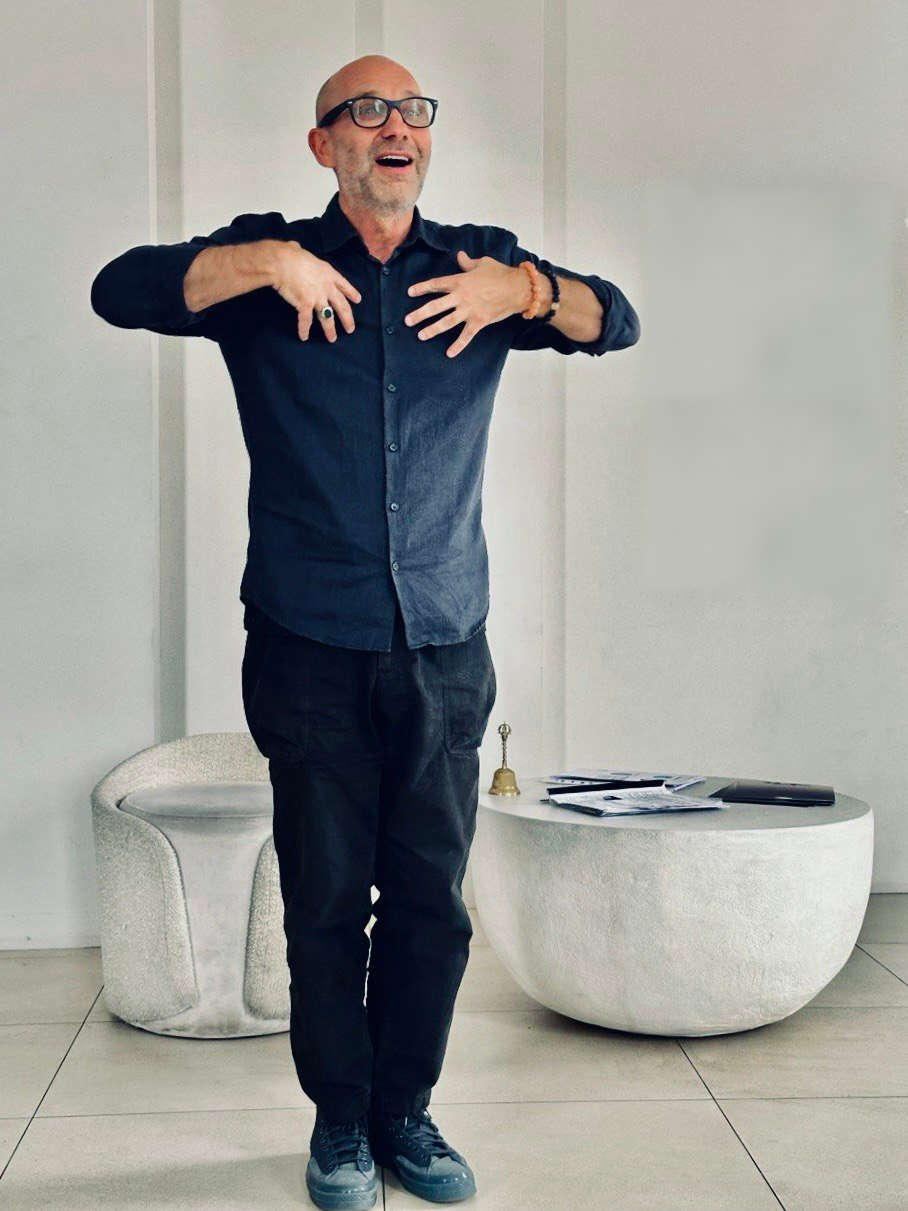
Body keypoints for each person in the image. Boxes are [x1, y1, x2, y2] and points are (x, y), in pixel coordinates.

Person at [90, 52, 640, 1210]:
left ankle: (406, 1113)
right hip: (307, 641)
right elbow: (119, 288)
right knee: (326, 902)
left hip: (445, 641)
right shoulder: (265, 269)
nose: (396, 125)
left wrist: (524, 290)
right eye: (367, 110)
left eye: (412, 110)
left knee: (431, 904)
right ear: (324, 143)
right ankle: (340, 1121)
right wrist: (267, 260)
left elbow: (615, 320)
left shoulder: (477, 267)